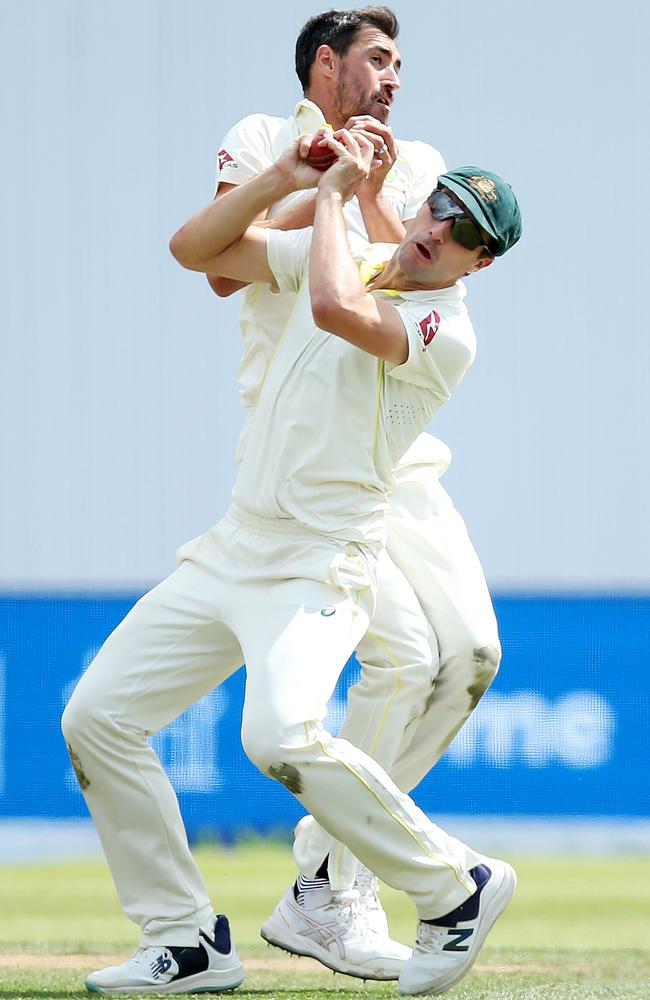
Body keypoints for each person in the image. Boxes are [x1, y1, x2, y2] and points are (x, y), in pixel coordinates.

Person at [62, 122, 522, 997]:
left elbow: (332, 310)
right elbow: (197, 250)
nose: (443, 230)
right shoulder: (347, 249)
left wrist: (340, 202)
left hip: (320, 564)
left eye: (467, 234)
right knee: (96, 718)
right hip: (234, 546)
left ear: (479, 264)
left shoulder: (443, 326)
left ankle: (452, 886)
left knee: (277, 737)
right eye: (443, 208)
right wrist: (285, 176)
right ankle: (186, 940)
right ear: (423, 203)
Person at [209, 6, 505, 978]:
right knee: (404, 657)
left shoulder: (414, 160)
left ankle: (323, 879)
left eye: (400, 61)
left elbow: (415, 275)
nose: (393, 75)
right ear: (326, 62)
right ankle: (334, 884)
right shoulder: (260, 142)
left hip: (400, 450)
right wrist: (318, 177)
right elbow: (225, 261)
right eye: (377, 58)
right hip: (306, 455)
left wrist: (372, 188)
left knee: (467, 656)